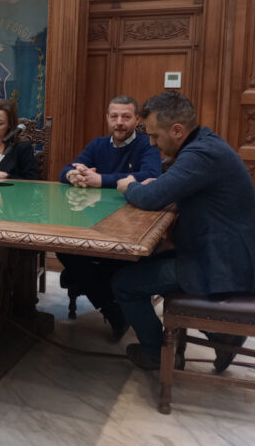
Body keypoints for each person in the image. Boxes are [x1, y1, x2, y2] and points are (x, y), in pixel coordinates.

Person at [114, 91, 255, 371]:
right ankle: (222, 337)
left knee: (124, 283)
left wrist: (129, 186)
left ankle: (158, 355)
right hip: (222, 254)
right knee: (142, 262)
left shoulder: (202, 154)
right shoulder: (205, 144)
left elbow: (151, 198)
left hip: (221, 265)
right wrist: (154, 187)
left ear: (177, 130)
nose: (152, 143)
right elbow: (171, 188)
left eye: (155, 135)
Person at [56, 95, 162, 340]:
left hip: (131, 224)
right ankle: (113, 310)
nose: (119, 122)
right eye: (114, 116)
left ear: (137, 119)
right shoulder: (98, 144)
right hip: (95, 222)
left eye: (126, 117)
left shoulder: (147, 145)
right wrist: (73, 175)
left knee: (111, 262)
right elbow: (67, 169)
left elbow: (151, 175)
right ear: (107, 118)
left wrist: (101, 180)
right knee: (65, 249)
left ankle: (113, 305)